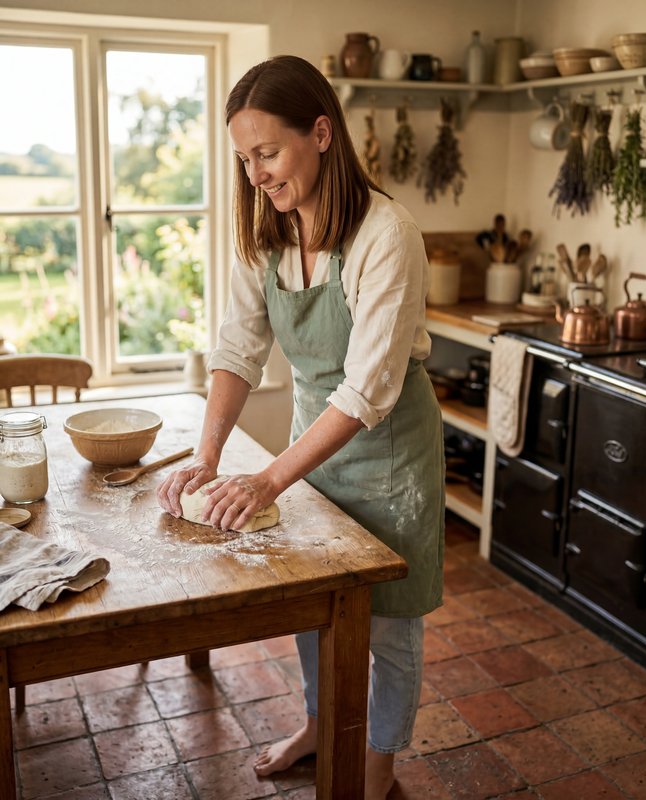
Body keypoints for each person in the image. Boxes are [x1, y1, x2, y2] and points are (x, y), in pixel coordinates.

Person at [156, 54, 445, 800]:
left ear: (321, 133)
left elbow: (368, 389)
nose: (254, 175)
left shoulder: (387, 233)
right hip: (313, 443)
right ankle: (322, 727)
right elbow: (236, 347)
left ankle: (378, 765)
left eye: (267, 153)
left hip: (389, 453)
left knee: (391, 624)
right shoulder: (267, 234)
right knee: (322, 606)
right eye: (243, 158)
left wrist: (267, 476)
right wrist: (210, 455)